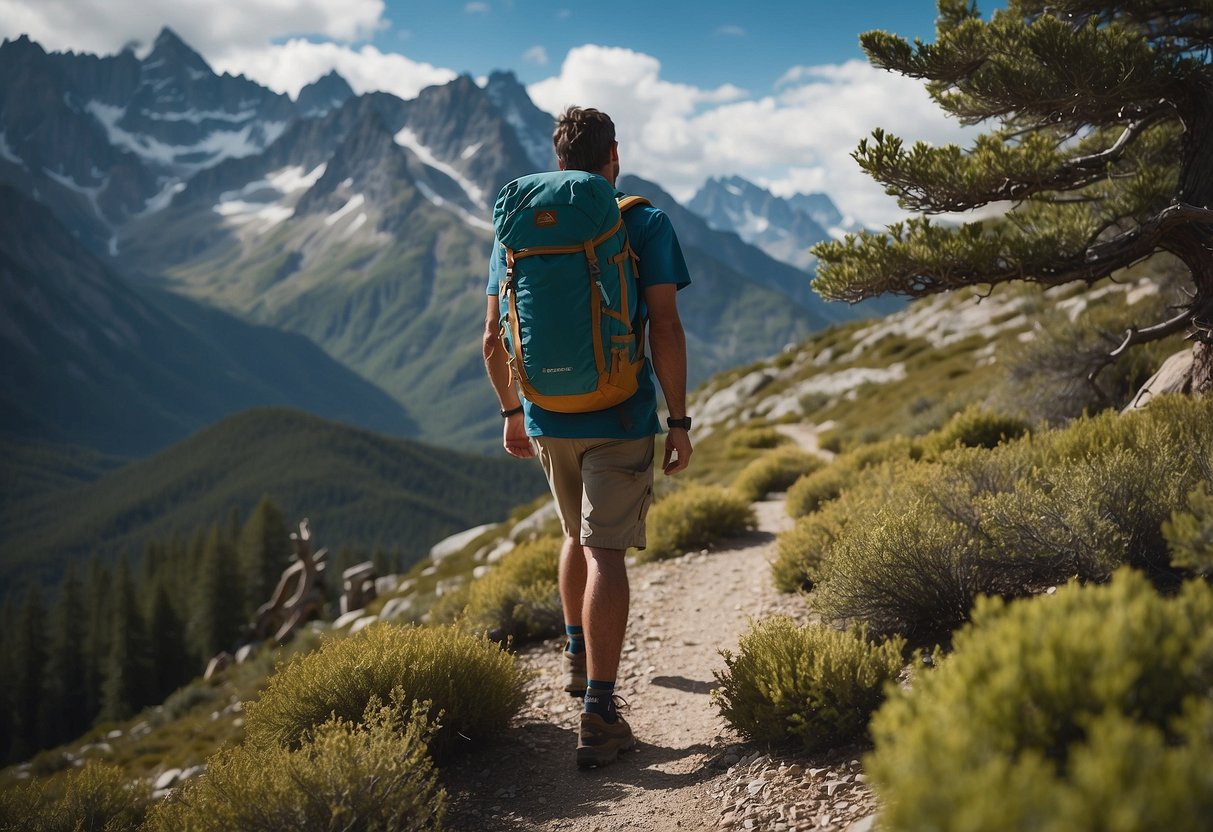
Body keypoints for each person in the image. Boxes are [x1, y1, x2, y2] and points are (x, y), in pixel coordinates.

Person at [482, 106, 693, 768]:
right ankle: (598, 713)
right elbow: (663, 326)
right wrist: (679, 420)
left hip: (545, 415)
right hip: (621, 414)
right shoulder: (642, 221)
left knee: (574, 537)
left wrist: (512, 414)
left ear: (557, 156)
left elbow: (491, 338)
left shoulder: (513, 229)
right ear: (614, 156)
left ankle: (576, 654)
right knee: (607, 553)